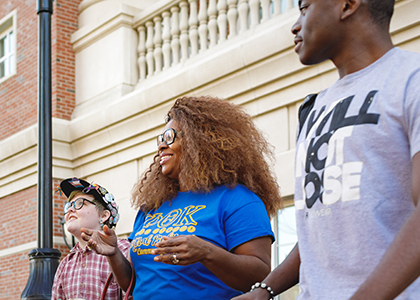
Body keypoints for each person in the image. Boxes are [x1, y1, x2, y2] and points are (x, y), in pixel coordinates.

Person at [233, 0, 420, 299]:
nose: (295, 26)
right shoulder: (316, 108)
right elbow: (319, 224)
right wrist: (266, 290)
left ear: (347, 5)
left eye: (304, 7)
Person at [82, 96, 283, 299]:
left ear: (201, 140)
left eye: (169, 137)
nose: (161, 146)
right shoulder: (151, 207)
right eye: (160, 140)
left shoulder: (238, 200)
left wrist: (207, 252)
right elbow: (134, 285)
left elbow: (260, 275)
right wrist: (114, 253)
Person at [52, 178, 130, 300]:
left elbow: (135, 293)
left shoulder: (124, 251)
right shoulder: (65, 264)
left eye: (80, 203)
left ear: (104, 215)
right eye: (68, 206)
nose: (71, 210)